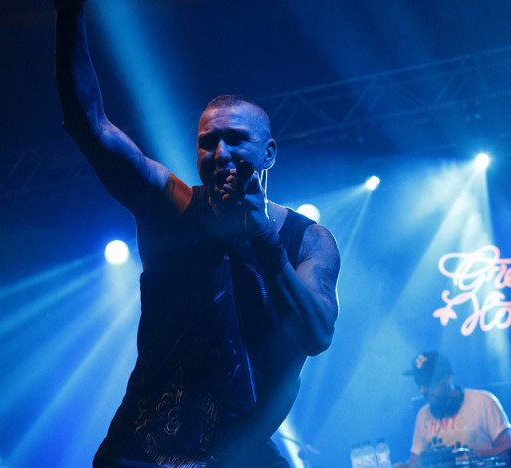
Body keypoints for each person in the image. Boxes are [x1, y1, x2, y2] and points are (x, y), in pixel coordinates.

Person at [53, 2, 341, 467]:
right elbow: (91, 126)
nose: (220, 152)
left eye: (235, 139)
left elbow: (317, 335)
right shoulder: (173, 208)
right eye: (208, 142)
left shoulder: (306, 240)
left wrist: (264, 240)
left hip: (238, 453)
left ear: (268, 153)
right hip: (144, 450)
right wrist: (70, 14)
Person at [399, 352, 511, 467]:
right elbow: (416, 461)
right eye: (419, 384)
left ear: (448, 378)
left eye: (428, 383)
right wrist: (405, 466)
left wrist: (472, 456)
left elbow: (510, 449)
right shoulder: (423, 414)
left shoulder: (483, 401)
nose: (423, 390)